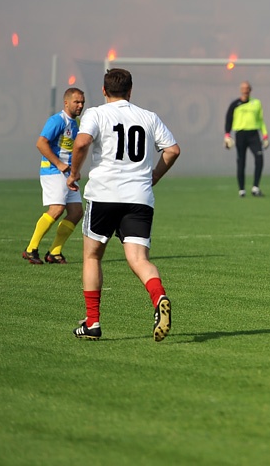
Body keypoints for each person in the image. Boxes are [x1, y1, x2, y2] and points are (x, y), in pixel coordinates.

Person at [66, 68, 180, 342]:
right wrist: (154, 175)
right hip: (139, 198)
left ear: (104, 91)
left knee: (92, 256)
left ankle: (92, 322)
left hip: (104, 195)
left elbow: (81, 144)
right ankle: (159, 296)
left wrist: (73, 173)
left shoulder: (95, 113)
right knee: (139, 259)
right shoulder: (148, 117)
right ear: (130, 91)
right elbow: (173, 150)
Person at [22, 87, 86, 265]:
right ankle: (31, 248)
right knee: (57, 209)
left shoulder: (77, 123)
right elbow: (40, 143)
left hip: (67, 173)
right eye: (77, 102)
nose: (80, 105)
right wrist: (60, 165)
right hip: (53, 171)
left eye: (82, 102)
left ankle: (55, 252)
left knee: (76, 212)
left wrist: (74, 170)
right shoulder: (57, 120)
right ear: (66, 103)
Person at [224, 81, 268, 197]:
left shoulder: (256, 103)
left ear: (250, 89)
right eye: (243, 88)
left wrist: (265, 135)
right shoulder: (235, 104)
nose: (245, 90)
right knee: (241, 161)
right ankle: (242, 189)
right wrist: (227, 135)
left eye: (247, 88)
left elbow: (261, 120)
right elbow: (228, 119)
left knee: (259, 158)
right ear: (240, 90)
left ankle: (255, 187)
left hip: (254, 134)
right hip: (240, 134)